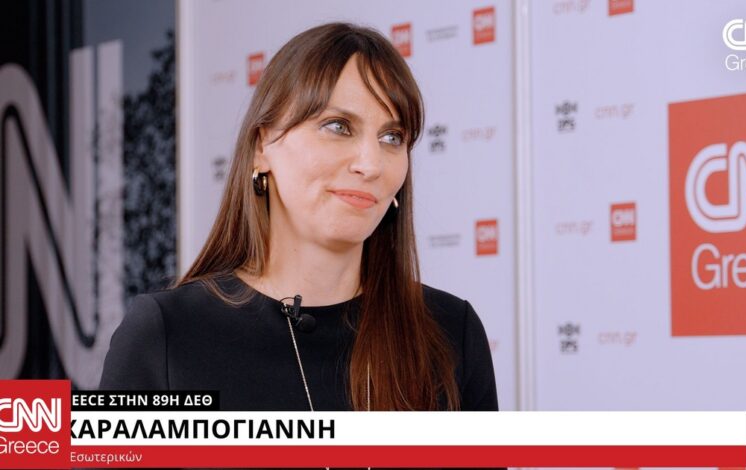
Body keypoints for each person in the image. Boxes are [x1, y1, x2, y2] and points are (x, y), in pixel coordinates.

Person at [100, 22, 498, 414]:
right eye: (338, 127)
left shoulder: (451, 332)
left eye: (392, 137)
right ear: (262, 147)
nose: (371, 164)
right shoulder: (165, 335)